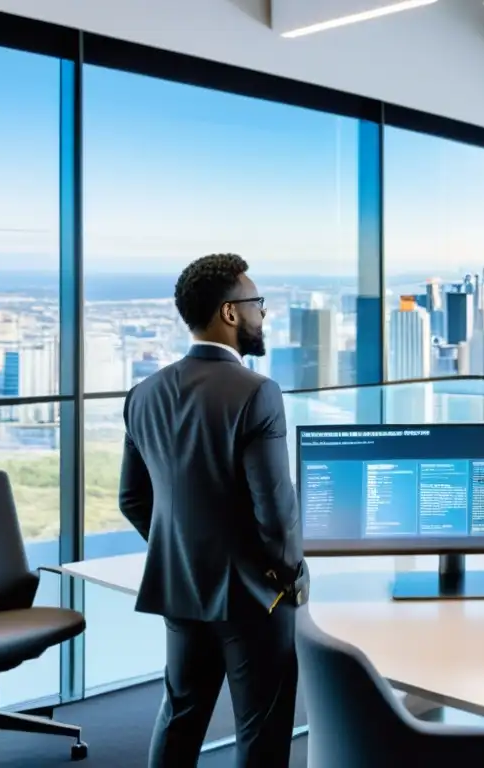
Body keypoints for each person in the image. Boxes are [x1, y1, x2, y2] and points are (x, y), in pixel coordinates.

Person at [119, 254, 307, 768]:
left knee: (181, 717)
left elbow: (133, 500)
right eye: (256, 304)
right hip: (253, 597)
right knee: (260, 733)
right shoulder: (257, 393)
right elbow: (275, 511)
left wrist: (183, 551)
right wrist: (290, 575)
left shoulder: (143, 393)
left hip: (179, 588)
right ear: (229, 313)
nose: (262, 315)